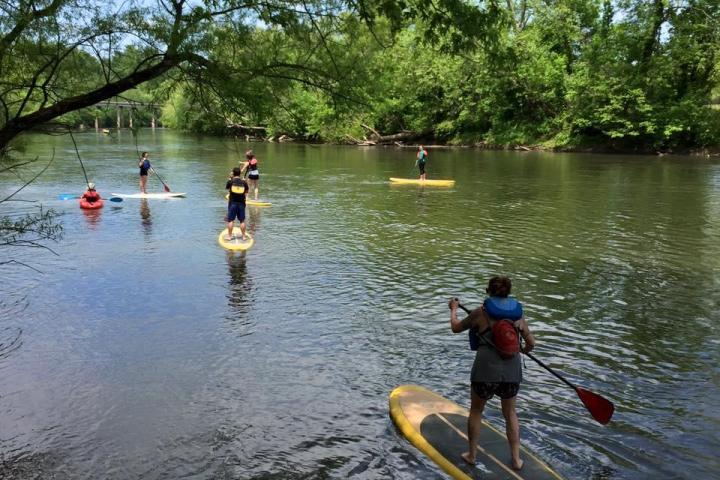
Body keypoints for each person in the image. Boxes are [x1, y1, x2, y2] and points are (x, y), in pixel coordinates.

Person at [448, 276, 536, 471]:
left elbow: (455, 328)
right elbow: (531, 344)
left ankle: (471, 455)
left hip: (485, 371)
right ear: (508, 292)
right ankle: (516, 459)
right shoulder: (518, 315)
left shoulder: (481, 313)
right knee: (510, 413)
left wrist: (454, 309)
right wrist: (520, 350)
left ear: (488, 291)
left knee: (477, 411)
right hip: (512, 372)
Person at [225, 167, 249, 241]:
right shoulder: (244, 182)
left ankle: (229, 236)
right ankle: (244, 236)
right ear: (240, 173)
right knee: (242, 221)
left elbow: (227, 188)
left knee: (231, 220)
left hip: (232, 203)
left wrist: (230, 178)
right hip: (241, 203)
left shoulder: (231, 181)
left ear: (233, 173)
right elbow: (247, 191)